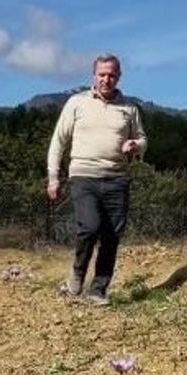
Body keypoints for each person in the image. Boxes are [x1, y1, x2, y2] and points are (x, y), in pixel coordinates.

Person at [46, 54, 147, 306]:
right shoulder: (76, 104)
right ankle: (77, 276)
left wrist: (135, 144)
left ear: (119, 77)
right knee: (89, 228)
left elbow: (144, 140)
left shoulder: (129, 109)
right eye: (102, 74)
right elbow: (58, 142)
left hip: (116, 178)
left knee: (112, 235)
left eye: (111, 75)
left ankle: (99, 290)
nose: (106, 79)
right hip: (83, 176)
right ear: (94, 76)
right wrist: (53, 177)